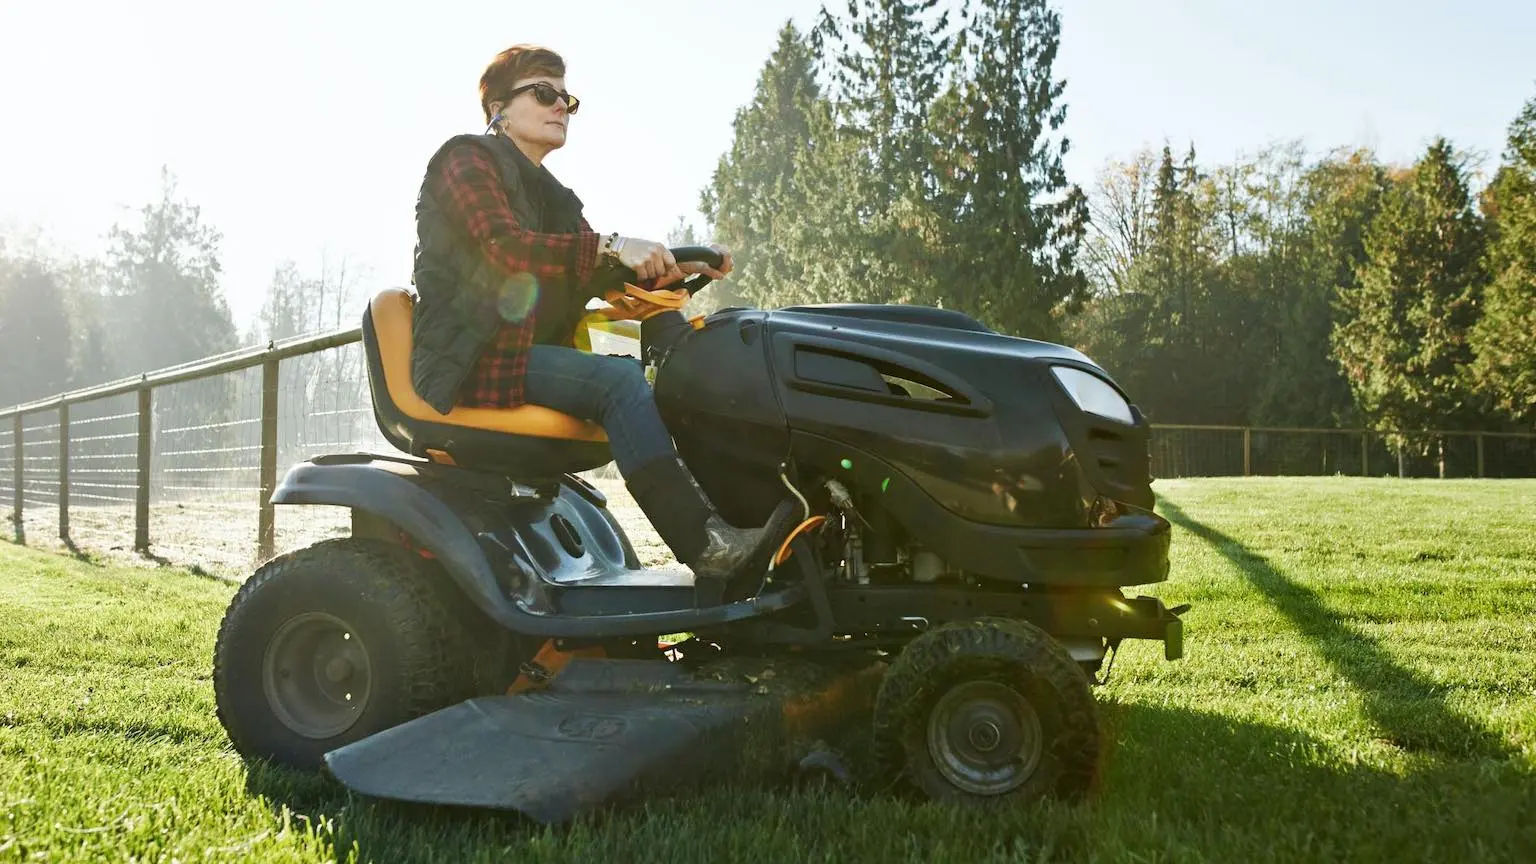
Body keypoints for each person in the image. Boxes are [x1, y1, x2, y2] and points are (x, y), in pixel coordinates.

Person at [408, 43, 778, 587]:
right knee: (619, 383)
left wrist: (672, 267)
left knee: (689, 361)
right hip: (471, 358)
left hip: (522, 353)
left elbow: (596, 269)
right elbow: (504, 249)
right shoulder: (465, 160)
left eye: (567, 98)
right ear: (498, 109)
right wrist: (612, 246)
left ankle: (758, 510)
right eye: (544, 93)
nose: (562, 105)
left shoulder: (555, 197)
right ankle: (706, 546)